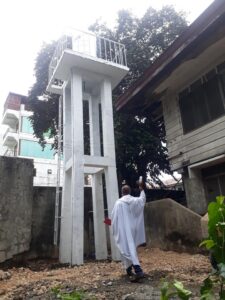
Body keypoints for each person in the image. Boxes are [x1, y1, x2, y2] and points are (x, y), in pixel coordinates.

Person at [111, 182, 146, 282]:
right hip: (132, 228)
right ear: (129, 192)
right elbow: (142, 200)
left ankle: (138, 271)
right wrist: (142, 190)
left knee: (127, 248)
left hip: (124, 229)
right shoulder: (134, 200)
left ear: (122, 192)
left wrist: (112, 224)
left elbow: (114, 217)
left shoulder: (118, 203)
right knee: (129, 248)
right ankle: (128, 269)